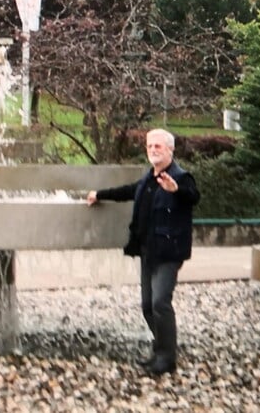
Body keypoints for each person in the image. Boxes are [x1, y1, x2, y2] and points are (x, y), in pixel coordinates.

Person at [86, 128, 200, 375]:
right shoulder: (148, 178)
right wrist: (99, 195)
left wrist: (176, 190)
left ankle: (167, 358)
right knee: (147, 306)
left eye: (158, 146)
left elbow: (193, 196)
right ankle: (161, 350)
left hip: (168, 253)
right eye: (149, 146)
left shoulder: (181, 177)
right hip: (148, 251)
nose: (153, 150)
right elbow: (127, 191)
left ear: (170, 149)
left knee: (160, 302)